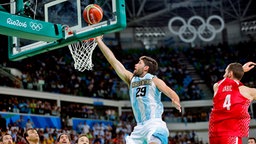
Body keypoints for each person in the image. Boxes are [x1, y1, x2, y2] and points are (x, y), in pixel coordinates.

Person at [95, 36, 181, 144]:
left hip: (154, 123)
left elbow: (171, 92)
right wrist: (99, 41)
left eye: (139, 63)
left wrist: (175, 100)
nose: (135, 64)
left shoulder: (154, 80)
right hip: (139, 128)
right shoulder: (131, 79)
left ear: (146, 68)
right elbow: (114, 61)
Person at [209, 62, 256, 144]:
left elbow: (224, 82)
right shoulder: (247, 91)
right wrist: (240, 71)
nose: (224, 75)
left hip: (214, 135)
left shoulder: (217, 87)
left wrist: (241, 70)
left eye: (225, 72)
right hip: (231, 135)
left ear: (230, 73)